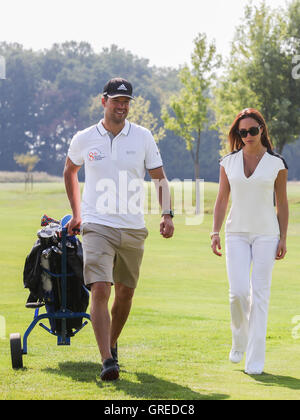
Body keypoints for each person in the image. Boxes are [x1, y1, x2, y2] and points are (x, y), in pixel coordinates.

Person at [64, 77, 174, 381]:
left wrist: (167, 214)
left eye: (126, 102)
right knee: (101, 288)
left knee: (125, 294)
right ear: (104, 102)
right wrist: (77, 213)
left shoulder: (143, 137)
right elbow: (70, 171)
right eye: (116, 101)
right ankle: (107, 360)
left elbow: (159, 178)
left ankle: (111, 344)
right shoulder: (85, 138)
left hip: (133, 227)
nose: (122, 107)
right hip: (97, 223)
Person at [211, 108, 289, 375]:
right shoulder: (228, 162)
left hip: (267, 234)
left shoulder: (276, 164)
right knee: (238, 293)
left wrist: (283, 237)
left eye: (252, 130)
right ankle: (238, 340)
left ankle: (255, 361)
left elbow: (282, 203)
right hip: (236, 234)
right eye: (242, 132)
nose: (248, 136)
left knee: (261, 296)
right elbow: (221, 199)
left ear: (262, 130)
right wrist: (214, 232)